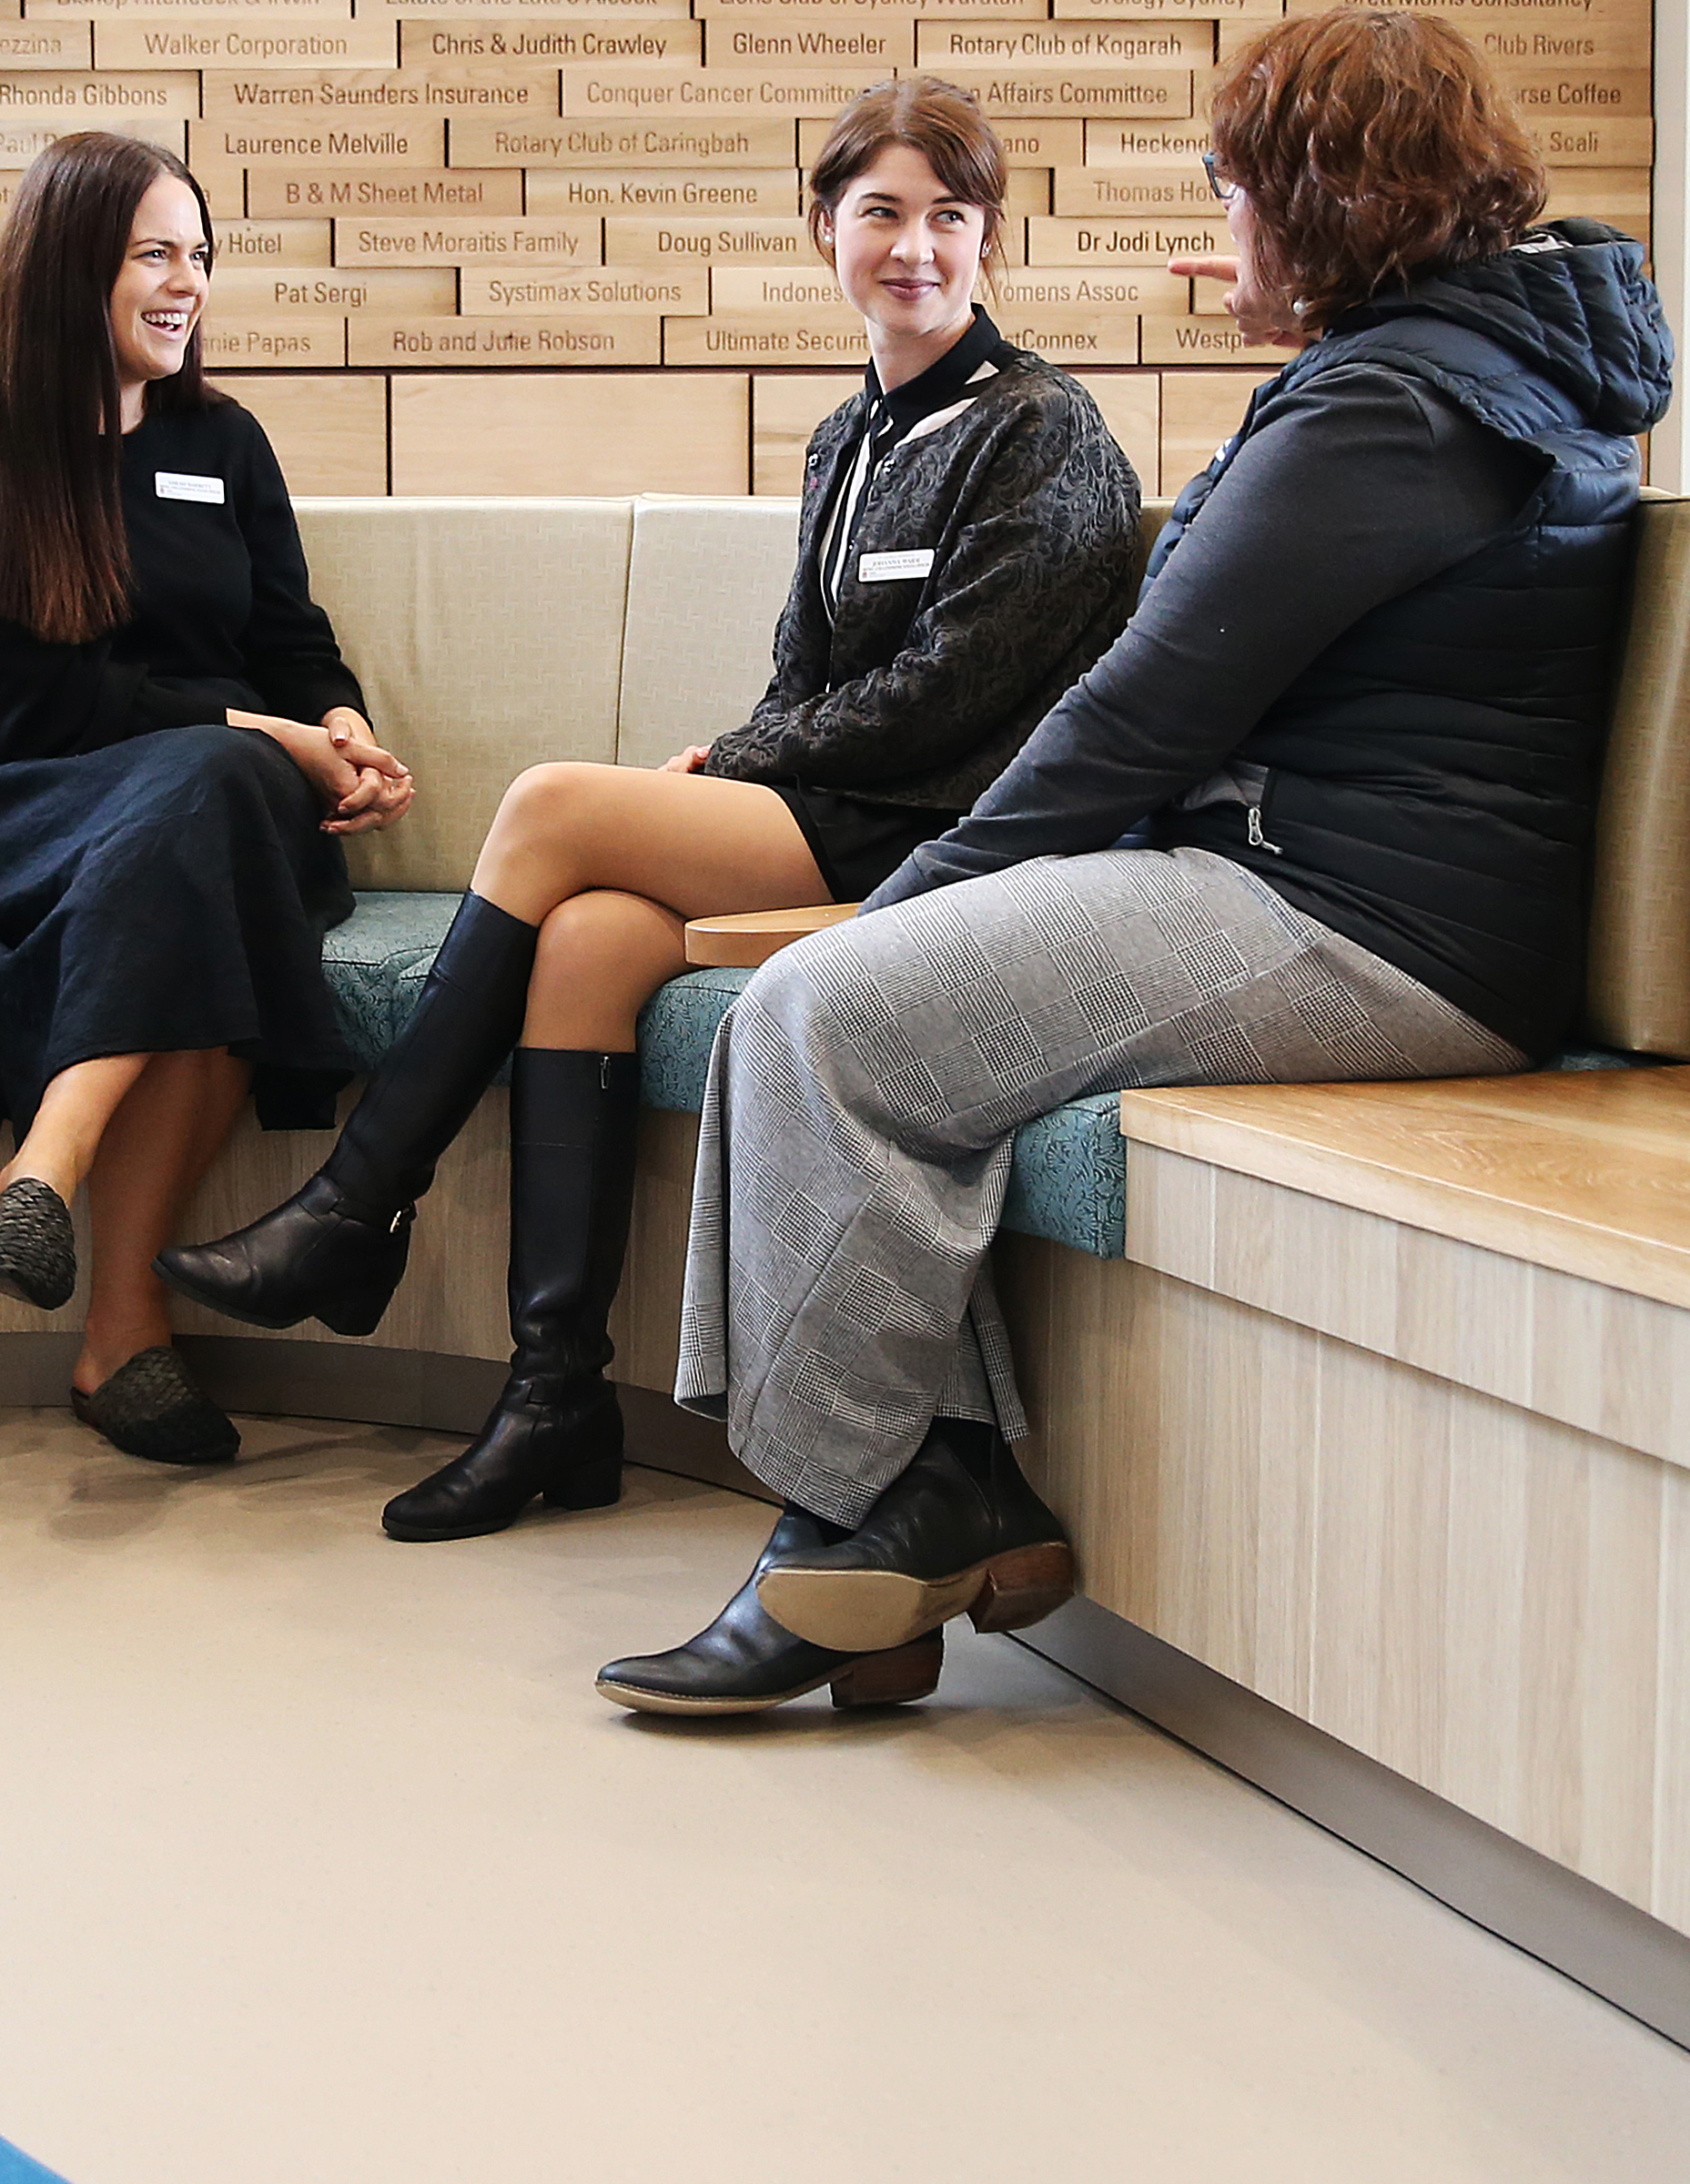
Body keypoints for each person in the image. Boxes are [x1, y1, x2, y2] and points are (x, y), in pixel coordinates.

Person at [603, 8, 1673, 1716]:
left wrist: (909, 902)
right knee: (829, 1006)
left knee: (815, 1015)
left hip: (1363, 922)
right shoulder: (1453, 368)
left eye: (1238, 189)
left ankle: (861, 1524)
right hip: (1318, 884)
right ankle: (915, 1497)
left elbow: (1139, 713)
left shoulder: (1394, 406)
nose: (1218, 227)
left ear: (1323, 202)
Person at [161, 78, 1146, 1541]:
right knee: (590, 939)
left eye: (949, 217)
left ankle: (352, 1205)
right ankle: (552, 1398)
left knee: (553, 807)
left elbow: (951, 701)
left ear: (991, 239)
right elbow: (801, 676)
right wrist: (735, 750)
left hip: (952, 837)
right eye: (879, 213)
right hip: (847, 808)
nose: (914, 249)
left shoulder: (1042, 435)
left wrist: (750, 763)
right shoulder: (847, 439)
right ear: (823, 230)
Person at [0, 131, 417, 1468]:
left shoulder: (220, 439)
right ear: (73, 269)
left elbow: (293, 639)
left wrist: (338, 727)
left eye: (198, 255)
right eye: (153, 255)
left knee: (213, 805)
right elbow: (33, 709)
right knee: (215, 799)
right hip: (23, 796)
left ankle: (44, 1186)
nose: (186, 284)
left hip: (222, 802)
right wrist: (260, 734)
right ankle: (120, 1323)